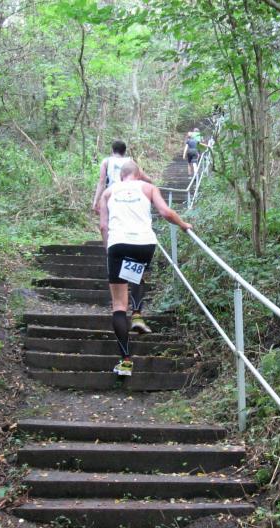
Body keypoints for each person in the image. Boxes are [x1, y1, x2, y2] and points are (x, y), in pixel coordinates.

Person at [98, 160, 192, 376]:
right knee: (135, 275)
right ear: (138, 174)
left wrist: (108, 249)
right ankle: (138, 313)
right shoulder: (148, 188)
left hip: (118, 243)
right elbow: (166, 212)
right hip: (144, 244)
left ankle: (126, 361)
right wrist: (183, 225)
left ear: (121, 176)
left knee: (118, 305)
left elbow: (103, 225)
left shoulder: (108, 192)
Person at [92, 140, 153, 214]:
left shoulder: (106, 162)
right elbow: (146, 178)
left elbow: (102, 182)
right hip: (128, 196)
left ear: (112, 150)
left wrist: (96, 201)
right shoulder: (130, 162)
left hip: (112, 195)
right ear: (124, 151)